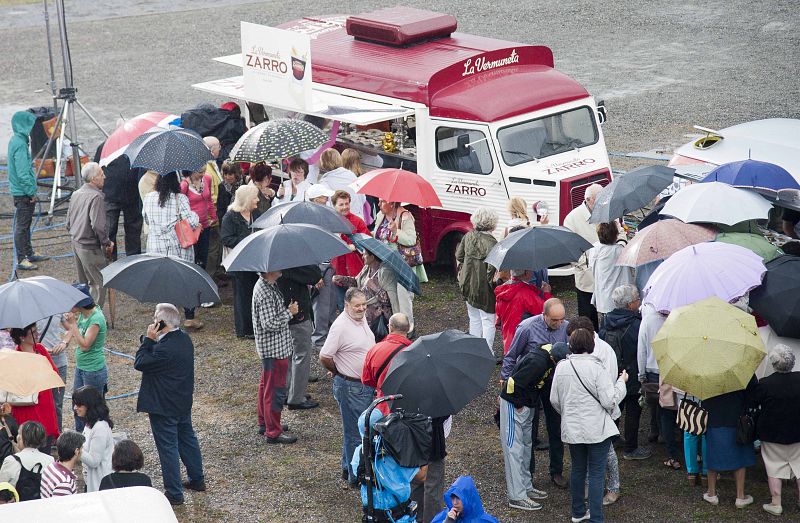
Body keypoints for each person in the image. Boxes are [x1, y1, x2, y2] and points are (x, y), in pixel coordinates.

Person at [550, 328, 628, 523]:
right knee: (596, 472)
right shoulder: (597, 368)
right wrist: (622, 382)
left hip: (573, 429)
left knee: (577, 469)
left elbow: (554, 399)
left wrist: (567, 414)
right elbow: (609, 401)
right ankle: (596, 516)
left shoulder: (561, 367)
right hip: (597, 430)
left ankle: (577, 512)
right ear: (592, 345)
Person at [134, 303, 205, 505]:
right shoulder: (184, 339)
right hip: (182, 402)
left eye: (155, 318)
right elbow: (156, 351)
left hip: (163, 407)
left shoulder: (163, 350)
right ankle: (197, 479)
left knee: (168, 448)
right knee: (187, 439)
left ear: (161, 323)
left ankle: (174, 493)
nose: (153, 320)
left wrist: (148, 339)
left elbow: (140, 362)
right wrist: (149, 341)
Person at [501, 298, 569, 489]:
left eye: (562, 319)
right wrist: (505, 382)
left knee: (555, 426)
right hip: (530, 384)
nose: (559, 324)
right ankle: (527, 474)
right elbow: (511, 355)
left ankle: (556, 470)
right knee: (528, 429)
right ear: (544, 315)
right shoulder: (527, 328)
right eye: (555, 320)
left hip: (554, 383)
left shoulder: (566, 328)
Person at [499, 342, 569, 512]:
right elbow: (512, 384)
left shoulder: (547, 356)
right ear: (554, 359)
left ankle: (526, 486)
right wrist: (518, 404)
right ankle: (517, 496)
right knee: (514, 450)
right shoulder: (537, 362)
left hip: (527, 405)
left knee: (525, 446)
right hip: (514, 405)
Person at [320, 288, 376, 488]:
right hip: (351, 386)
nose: (362, 308)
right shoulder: (341, 326)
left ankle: (348, 467)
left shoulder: (360, 319)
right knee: (356, 433)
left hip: (362, 385)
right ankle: (356, 477)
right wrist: (339, 371)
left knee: (354, 429)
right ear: (346, 305)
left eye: (364, 304)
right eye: (357, 306)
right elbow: (324, 356)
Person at [567, 317, 622, 507]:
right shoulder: (580, 350)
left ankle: (613, 488)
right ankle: (591, 488)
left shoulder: (604, 351)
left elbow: (609, 387)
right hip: (584, 412)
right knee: (592, 455)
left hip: (602, 411)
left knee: (607, 452)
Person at [142, 172, 203, 329]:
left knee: (162, 284)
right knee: (184, 280)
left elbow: (147, 219)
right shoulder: (179, 198)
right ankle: (189, 317)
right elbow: (191, 221)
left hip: (155, 247)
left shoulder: (149, 198)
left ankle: (162, 319)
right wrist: (196, 215)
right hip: (177, 247)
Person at [600, 285, 652, 461]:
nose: (639, 301)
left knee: (615, 406)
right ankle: (631, 448)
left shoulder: (606, 320)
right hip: (631, 372)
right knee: (633, 410)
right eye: (637, 298)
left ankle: (612, 440)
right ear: (630, 304)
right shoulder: (637, 325)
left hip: (612, 372)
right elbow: (641, 350)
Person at [351, 409, 427, 523]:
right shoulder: (394, 456)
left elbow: (357, 474)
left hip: (372, 515)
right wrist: (423, 451)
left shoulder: (359, 453)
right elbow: (421, 477)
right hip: (398, 516)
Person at [752, 345, 800, 515]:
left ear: (773, 363)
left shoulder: (765, 383)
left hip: (771, 432)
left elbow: (753, 403)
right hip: (797, 432)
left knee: (773, 467)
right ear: (792, 361)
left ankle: (776, 503)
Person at [252, 271, 299, 444]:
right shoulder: (264, 292)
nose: (282, 268)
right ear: (268, 269)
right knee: (275, 391)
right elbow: (269, 323)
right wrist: (289, 312)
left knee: (266, 386)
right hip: (274, 350)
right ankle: (273, 431)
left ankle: (265, 423)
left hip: (273, 348)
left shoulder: (267, 285)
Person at [702, 376, 757, 509]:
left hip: (713, 416)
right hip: (737, 417)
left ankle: (711, 494)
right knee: (740, 456)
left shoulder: (706, 368)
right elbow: (754, 393)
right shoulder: (743, 366)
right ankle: (740, 496)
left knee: (712, 454)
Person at [373, 198, 428, 331]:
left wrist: (396, 232)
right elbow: (376, 235)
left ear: (392, 203)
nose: (378, 204)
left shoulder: (405, 216)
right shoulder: (380, 215)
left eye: (382, 201)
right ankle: (397, 327)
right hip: (386, 261)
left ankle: (408, 328)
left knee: (403, 296)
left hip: (404, 262)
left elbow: (411, 239)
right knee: (392, 295)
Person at [61, 284, 108, 431]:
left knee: (92, 409)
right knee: (77, 405)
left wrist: (73, 324)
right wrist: (67, 327)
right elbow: (73, 331)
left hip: (93, 370)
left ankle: (93, 437)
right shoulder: (83, 314)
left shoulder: (96, 319)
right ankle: (80, 437)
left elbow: (85, 345)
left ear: (80, 304)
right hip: (81, 367)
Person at [66, 162, 113, 308]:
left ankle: (83, 314)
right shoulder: (96, 197)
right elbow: (98, 225)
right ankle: (94, 318)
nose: (104, 176)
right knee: (99, 283)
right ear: (93, 179)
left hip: (76, 243)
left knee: (83, 284)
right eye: (100, 174)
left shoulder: (76, 193)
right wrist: (106, 242)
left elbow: (68, 221)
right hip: (89, 246)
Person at [277, 265, 323, 410]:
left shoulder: (276, 257)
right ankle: (296, 397)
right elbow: (314, 275)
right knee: (301, 355)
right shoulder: (293, 260)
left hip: (286, 310)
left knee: (290, 354)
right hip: (297, 313)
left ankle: (289, 391)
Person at [8, 110, 48, 271]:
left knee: (25, 224)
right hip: (23, 193)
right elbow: (23, 172)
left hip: (22, 191)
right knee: (22, 226)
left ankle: (28, 252)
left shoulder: (17, 140)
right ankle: (22, 258)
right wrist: (31, 191)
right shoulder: (19, 144)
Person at [221, 184, 261, 338]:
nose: (257, 200)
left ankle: (256, 326)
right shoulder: (230, 216)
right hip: (239, 261)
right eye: (255, 197)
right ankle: (244, 330)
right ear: (247, 200)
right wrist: (247, 240)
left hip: (254, 260)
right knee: (242, 296)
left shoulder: (255, 213)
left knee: (254, 293)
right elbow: (226, 238)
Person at [333, 247, 401, 338]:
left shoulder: (385, 272)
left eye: (364, 254)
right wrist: (342, 279)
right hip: (364, 315)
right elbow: (356, 282)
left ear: (372, 257)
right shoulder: (367, 268)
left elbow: (389, 300)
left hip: (378, 319)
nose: (362, 256)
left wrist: (374, 287)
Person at [8, 324, 59, 445]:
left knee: (46, 441)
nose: (37, 334)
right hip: (27, 407)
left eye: (37, 331)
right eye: (33, 332)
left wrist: (41, 363)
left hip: (45, 403)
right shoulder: (15, 356)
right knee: (30, 441)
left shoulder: (40, 349)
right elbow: (16, 383)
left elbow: (54, 373)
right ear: (22, 337)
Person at [563, 183, 604, 330]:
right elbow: (568, 248)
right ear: (588, 199)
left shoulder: (607, 211)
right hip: (586, 277)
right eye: (598, 201)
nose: (602, 204)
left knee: (610, 313)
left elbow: (620, 234)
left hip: (606, 273)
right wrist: (585, 262)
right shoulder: (572, 219)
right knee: (587, 318)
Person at [92, 141, 143, 260]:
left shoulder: (137, 146)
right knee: (108, 232)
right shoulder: (104, 147)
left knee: (133, 232)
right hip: (111, 195)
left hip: (131, 195)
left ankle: (133, 260)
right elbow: (96, 167)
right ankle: (111, 262)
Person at [456, 207, 499, 349]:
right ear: (492, 223)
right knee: (488, 321)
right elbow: (491, 271)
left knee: (474, 319)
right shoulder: (492, 243)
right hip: (483, 288)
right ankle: (487, 352)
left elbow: (459, 256)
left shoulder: (468, 236)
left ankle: (473, 349)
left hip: (467, 283)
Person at [361, 313, 413, 415]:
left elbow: (366, 380)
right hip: (408, 408)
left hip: (383, 407)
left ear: (390, 327)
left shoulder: (374, 350)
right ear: (408, 328)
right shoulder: (414, 352)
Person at [307, 184, 338, 351]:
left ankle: (327, 336)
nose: (327, 199)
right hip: (320, 267)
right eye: (324, 197)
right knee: (321, 305)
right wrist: (315, 275)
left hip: (327, 265)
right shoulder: (313, 218)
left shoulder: (320, 215)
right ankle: (319, 339)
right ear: (316, 199)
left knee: (329, 303)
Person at [330, 190, 371, 311]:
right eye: (341, 204)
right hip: (337, 270)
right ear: (334, 206)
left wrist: (354, 246)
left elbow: (368, 243)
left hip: (356, 271)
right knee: (343, 306)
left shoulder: (358, 222)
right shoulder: (329, 223)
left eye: (347, 203)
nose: (345, 207)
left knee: (358, 306)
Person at [494, 268, 551, 353]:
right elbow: (548, 312)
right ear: (526, 273)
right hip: (524, 344)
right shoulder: (527, 294)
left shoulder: (502, 291)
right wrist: (547, 293)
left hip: (508, 342)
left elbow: (498, 321)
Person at [589, 221, 633, 325]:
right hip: (618, 299)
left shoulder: (594, 249)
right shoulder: (619, 251)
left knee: (605, 326)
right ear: (615, 234)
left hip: (602, 298)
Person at [72, 386, 113, 492]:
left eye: (79, 404)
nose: (75, 408)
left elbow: (94, 461)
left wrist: (76, 448)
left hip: (101, 483)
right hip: (91, 479)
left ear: (89, 406)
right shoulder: (90, 423)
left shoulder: (100, 428)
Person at [637, 302, 667, 445]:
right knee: (667, 403)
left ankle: (654, 429)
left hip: (651, 369)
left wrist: (641, 374)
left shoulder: (648, 320)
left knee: (653, 402)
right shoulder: (675, 318)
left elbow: (641, 349)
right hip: (668, 369)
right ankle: (665, 433)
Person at [0, 421, 53, 499]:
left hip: (15, 508)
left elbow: (2, 486)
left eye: (19, 434)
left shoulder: (11, 460)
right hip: (42, 506)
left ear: (22, 438)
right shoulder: (50, 460)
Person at [35, 314, 70, 432]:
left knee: (57, 404)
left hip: (59, 362)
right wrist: (39, 348)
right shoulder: (29, 309)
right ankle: (40, 436)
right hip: (38, 363)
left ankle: (57, 436)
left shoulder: (57, 308)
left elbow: (71, 328)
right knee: (38, 402)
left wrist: (64, 342)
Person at [180, 168, 217, 273]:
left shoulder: (207, 179)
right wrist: (193, 223)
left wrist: (214, 217)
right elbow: (181, 207)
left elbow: (209, 199)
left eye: (204, 171)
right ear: (192, 171)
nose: (203, 174)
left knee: (204, 256)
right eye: (200, 172)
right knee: (193, 258)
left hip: (205, 225)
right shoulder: (184, 185)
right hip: (191, 228)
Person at [318, 148, 367, 221]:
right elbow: (363, 198)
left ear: (323, 163)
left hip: (341, 223)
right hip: (358, 219)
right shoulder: (351, 175)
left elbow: (326, 208)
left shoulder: (324, 182)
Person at [431, 476, 499, 523]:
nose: (454, 503)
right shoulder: (444, 517)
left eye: (458, 498)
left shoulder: (485, 521)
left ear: (468, 499)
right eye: (452, 498)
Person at [40, 430, 85, 498]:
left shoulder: (51, 466)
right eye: (82, 448)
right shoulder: (64, 483)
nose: (82, 451)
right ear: (76, 451)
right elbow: (62, 508)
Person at [216, 160, 242, 231]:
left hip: (241, 223)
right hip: (227, 222)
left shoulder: (244, 184)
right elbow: (220, 208)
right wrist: (223, 224)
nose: (227, 177)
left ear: (236, 174)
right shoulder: (222, 186)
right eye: (225, 174)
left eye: (230, 174)